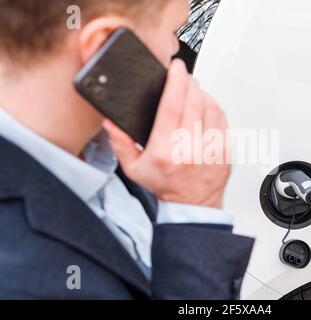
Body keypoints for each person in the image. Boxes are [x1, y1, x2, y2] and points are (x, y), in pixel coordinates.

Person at [0, 0, 254, 299]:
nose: (176, 50)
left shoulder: (102, 140)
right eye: (175, 32)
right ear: (102, 46)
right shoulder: (18, 277)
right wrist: (195, 214)